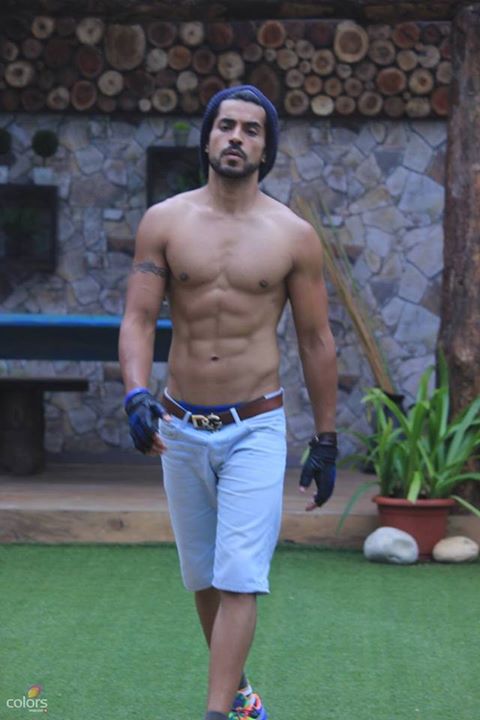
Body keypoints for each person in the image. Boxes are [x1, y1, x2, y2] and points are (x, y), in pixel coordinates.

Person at [119, 85, 338, 720]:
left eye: (251, 129)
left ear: (267, 149)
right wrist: (135, 392)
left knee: (240, 574)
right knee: (204, 577)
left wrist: (325, 439)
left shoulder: (293, 236)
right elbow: (138, 318)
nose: (236, 137)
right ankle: (240, 697)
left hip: (255, 425)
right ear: (208, 138)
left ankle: (216, 713)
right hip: (180, 425)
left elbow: (316, 339)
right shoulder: (165, 222)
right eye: (226, 126)